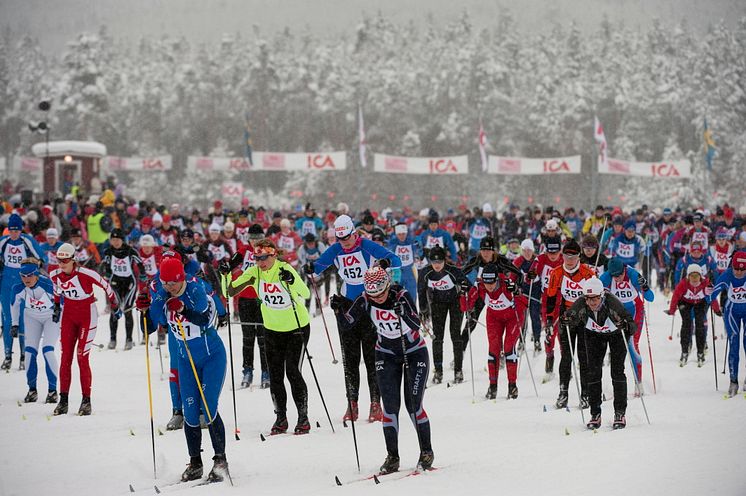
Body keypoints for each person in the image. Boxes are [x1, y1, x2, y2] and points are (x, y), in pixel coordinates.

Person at [335, 266, 434, 474]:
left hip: (414, 352)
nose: (377, 298)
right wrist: (338, 311)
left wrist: (404, 312)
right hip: (386, 354)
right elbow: (347, 324)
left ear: (387, 286)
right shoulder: (365, 298)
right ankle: (392, 457)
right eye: (373, 294)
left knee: (413, 404)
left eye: (380, 293)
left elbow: (416, 324)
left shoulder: (401, 295)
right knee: (389, 407)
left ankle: (426, 452)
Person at [306, 214, 401, 422]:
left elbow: (396, 260)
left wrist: (388, 271)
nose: (344, 243)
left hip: (369, 305)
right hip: (348, 308)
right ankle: (352, 403)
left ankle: (376, 403)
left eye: (347, 237)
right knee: (350, 359)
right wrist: (310, 268)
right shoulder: (336, 249)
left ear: (354, 233)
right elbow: (319, 266)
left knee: (371, 358)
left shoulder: (367, 246)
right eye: (340, 239)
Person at [150, 257, 229, 482]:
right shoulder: (162, 292)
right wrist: (147, 305)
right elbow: (152, 324)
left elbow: (203, 318)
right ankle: (195, 462)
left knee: (208, 405)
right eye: (165, 283)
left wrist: (183, 308)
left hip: (212, 356)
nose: (169, 288)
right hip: (186, 360)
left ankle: (220, 461)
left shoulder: (194, 288)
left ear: (181, 278)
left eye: (172, 283)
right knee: (190, 412)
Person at [225, 238, 312, 435]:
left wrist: (292, 280)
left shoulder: (284, 269)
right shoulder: (254, 272)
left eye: (264, 258)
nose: (260, 262)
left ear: (273, 255)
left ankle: (303, 417)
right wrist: (225, 274)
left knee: (292, 371)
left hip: (296, 328)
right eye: (257, 258)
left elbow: (305, 293)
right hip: (272, 329)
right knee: (275, 376)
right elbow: (229, 291)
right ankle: (281, 418)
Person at [50, 243, 119, 416]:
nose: (61, 264)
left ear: (73, 260)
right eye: (59, 260)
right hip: (69, 316)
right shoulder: (55, 274)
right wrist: (57, 306)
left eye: (65, 260)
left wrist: (115, 305)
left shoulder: (86, 273)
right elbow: (57, 289)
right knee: (65, 357)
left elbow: (106, 285)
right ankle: (63, 400)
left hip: (87, 316)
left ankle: (86, 401)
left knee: (82, 357)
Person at [561, 277, 636, 430]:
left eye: (595, 299)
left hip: (616, 336)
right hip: (594, 335)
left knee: (617, 371)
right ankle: (595, 413)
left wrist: (626, 326)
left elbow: (632, 326)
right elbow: (569, 319)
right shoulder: (581, 303)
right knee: (593, 372)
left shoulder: (613, 304)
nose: (591, 303)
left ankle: (619, 413)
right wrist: (566, 321)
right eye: (588, 299)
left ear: (601, 296)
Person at [543, 239, 596, 408]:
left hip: (584, 318)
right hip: (566, 317)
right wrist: (549, 320)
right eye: (566, 256)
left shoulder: (588, 273)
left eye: (573, 256)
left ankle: (586, 394)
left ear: (579, 257)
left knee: (584, 357)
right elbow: (551, 298)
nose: (569, 260)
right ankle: (563, 392)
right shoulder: (556, 273)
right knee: (566, 357)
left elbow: (597, 297)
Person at [461, 263, 521, 399]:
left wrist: (516, 290)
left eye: (492, 282)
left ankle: (512, 386)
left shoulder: (506, 282)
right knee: (493, 349)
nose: (490, 286)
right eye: (487, 283)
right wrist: (462, 292)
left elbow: (522, 298)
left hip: (513, 316)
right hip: (494, 317)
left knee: (508, 348)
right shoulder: (479, 285)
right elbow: (466, 306)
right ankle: (492, 386)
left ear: (497, 279)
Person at [417, 245, 470, 384]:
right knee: (437, 338)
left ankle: (458, 370)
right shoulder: (425, 273)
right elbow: (421, 292)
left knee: (455, 335)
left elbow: (469, 286)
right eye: (434, 262)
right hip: (437, 304)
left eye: (440, 262)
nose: (437, 265)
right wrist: (423, 311)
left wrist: (465, 289)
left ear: (444, 261)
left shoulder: (453, 271)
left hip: (455, 303)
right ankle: (438, 370)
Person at [600, 258, 654, 391]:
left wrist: (645, 287)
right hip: (616, 313)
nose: (617, 278)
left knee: (632, 346)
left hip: (635, 312)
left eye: (619, 275)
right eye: (614, 276)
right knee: (616, 348)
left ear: (624, 270)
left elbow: (650, 298)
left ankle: (638, 383)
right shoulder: (606, 277)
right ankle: (616, 383)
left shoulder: (633, 275)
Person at [0, 213, 46, 370]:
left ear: (21, 230)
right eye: (11, 230)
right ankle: (7, 355)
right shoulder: (4, 241)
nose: (14, 233)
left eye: (17, 231)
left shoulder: (27, 241)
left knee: (22, 320)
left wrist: (35, 265)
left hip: (23, 284)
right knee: (7, 320)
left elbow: (42, 257)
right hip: (6, 284)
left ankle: (23, 356)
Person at [11, 261, 59, 404]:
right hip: (31, 317)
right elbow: (14, 305)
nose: (26, 279)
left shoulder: (47, 284)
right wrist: (14, 324)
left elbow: (62, 298)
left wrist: (58, 309)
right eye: (23, 276)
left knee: (48, 350)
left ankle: (52, 391)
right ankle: (32, 390)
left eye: (30, 275)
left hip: (51, 318)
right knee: (30, 352)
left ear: (36, 275)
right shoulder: (18, 288)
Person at [231, 224, 270, 389]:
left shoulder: (268, 251)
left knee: (263, 338)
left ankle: (266, 371)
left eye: (258, 238)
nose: (255, 242)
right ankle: (247, 370)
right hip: (245, 299)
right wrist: (227, 267)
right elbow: (233, 262)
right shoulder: (244, 250)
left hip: (262, 299)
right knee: (247, 338)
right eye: (252, 239)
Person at [99, 228, 145, 350]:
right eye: (113, 240)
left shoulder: (130, 251)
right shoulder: (108, 251)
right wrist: (107, 274)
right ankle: (113, 339)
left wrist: (144, 275)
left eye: (117, 239)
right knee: (115, 310)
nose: (115, 242)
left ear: (122, 240)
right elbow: (107, 264)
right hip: (115, 282)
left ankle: (129, 340)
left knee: (127, 310)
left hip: (129, 283)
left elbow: (140, 263)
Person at [666, 264, 719, 367]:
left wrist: (716, 310)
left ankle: (700, 352)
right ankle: (684, 351)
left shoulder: (706, 283)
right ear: (688, 276)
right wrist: (672, 310)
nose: (694, 279)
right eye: (692, 276)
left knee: (700, 325)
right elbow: (675, 297)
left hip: (700, 303)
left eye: (697, 276)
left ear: (701, 276)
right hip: (685, 303)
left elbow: (712, 297)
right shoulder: (683, 284)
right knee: (686, 324)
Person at [709, 251, 746, 397]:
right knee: (734, 343)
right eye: (736, 268)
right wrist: (708, 293)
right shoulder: (727, 275)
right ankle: (733, 380)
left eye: (743, 269)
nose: (739, 272)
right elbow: (712, 293)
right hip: (732, 312)